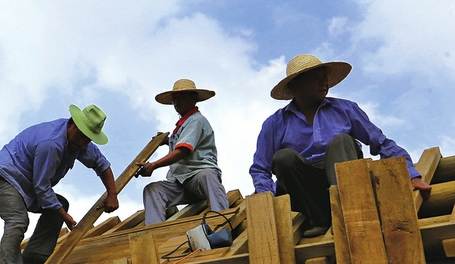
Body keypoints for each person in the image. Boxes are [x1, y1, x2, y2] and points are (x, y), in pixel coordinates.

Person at [251, 54, 430, 237]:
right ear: (296, 85)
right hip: (306, 192)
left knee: (341, 142)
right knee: (283, 158)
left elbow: (381, 142)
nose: (324, 84)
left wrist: (411, 173)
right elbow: (260, 169)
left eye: (325, 79)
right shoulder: (275, 123)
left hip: (347, 181)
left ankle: (348, 211)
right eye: (316, 80)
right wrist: (268, 201)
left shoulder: (345, 109)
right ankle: (319, 220)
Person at [0, 104, 119, 264]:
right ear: (71, 124)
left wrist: (112, 195)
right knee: (17, 220)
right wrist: (66, 217)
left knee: (59, 204)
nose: (82, 142)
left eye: (88, 138)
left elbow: (101, 164)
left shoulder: (80, 141)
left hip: (27, 187)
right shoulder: (51, 143)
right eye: (81, 136)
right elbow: (42, 187)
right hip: (2, 179)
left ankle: (35, 255)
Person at [138, 79, 229, 225]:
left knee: (208, 175)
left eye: (181, 97)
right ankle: (154, 232)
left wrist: (153, 165)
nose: (176, 101)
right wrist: (168, 141)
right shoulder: (182, 125)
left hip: (198, 179)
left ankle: (222, 222)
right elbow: (183, 142)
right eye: (174, 98)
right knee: (153, 189)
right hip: (180, 181)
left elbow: (183, 151)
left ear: (194, 98)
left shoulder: (196, 120)